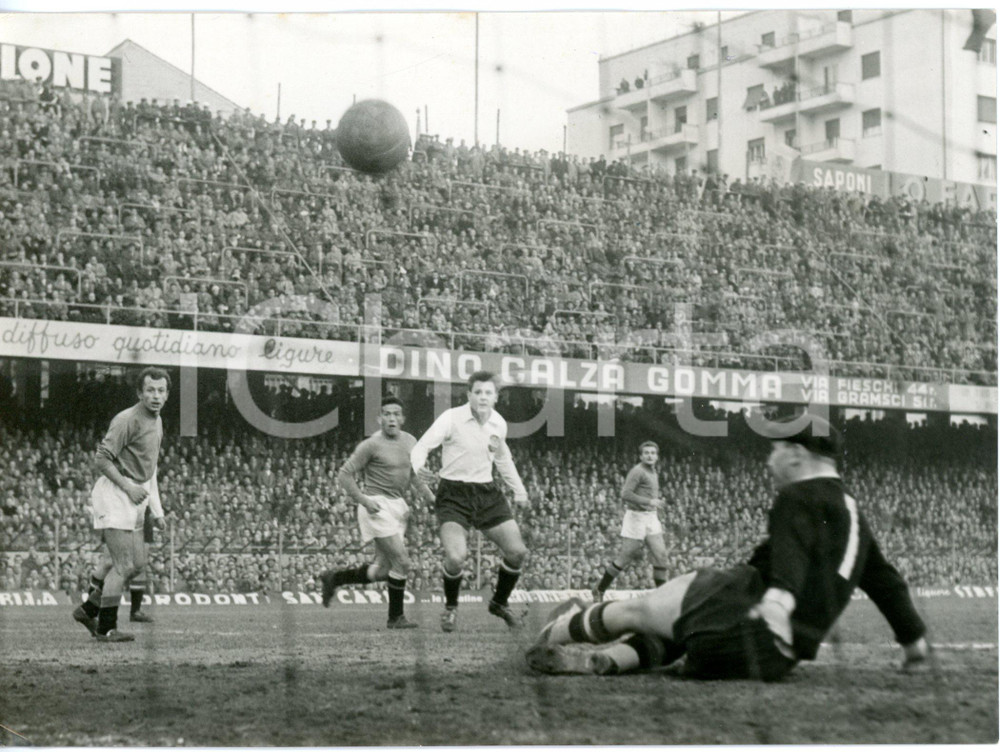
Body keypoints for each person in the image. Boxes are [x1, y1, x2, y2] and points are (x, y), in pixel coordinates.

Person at [527, 415, 930, 680]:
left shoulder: (798, 498)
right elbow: (886, 583)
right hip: (768, 660)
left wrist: (778, 601)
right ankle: (611, 661)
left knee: (643, 608)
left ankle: (556, 632)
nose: (770, 459)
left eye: (774, 450)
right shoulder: (853, 513)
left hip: (747, 618)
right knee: (677, 632)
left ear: (796, 455)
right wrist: (913, 644)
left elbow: (789, 555)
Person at [411, 371, 530, 633]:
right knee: (456, 557)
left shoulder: (499, 424)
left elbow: (503, 459)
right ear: (469, 395)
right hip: (453, 495)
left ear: (496, 397)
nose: (483, 397)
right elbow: (421, 447)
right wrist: (418, 467)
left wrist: (519, 490)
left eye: (488, 392)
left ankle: (499, 603)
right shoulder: (451, 418)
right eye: (478, 392)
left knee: (517, 552)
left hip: (487, 494)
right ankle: (451, 609)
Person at [318, 396, 434, 629]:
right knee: (402, 561)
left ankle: (335, 578)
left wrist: (431, 498)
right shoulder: (370, 445)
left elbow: (413, 475)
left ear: (402, 418)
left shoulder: (411, 441)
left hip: (397, 506)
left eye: (396, 414)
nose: (392, 418)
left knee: (383, 571)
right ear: (379, 418)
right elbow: (344, 474)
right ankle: (395, 617)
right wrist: (364, 500)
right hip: (376, 505)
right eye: (387, 414)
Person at [72, 367, 168, 643]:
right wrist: (127, 486)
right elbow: (101, 459)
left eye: (161, 391)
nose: (156, 396)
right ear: (139, 392)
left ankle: (88, 609)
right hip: (115, 493)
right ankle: (106, 627)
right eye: (150, 390)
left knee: (137, 563)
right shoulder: (126, 419)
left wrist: (157, 512)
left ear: (167, 395)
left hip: (134, 496)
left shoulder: (157, 421)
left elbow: (150, 470)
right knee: (123, 565)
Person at [592, 441, 670, 602]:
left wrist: (654, 505)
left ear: (657, 456)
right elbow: (625, 494)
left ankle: (663, 596)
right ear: (641, 456)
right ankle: (599, 589)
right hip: (636, 518)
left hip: (651, 517)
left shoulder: (653, 471)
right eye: (646, 453)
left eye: (653, 453)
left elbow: (647, 495)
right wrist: (650, 502)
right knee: (626, 556)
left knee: (661, 556)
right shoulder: (637, 471)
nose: (650, 455)